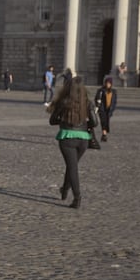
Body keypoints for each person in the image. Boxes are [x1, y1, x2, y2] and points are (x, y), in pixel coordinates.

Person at [47, 75, 97, 209]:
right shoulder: (87, 102)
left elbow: (52, 121)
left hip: (67, 137)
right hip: (83, 140)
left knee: (72, 167)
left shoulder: (64, 102)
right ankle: (64, 190)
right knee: (72, 166)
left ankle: (77, 198)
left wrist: (64, 121)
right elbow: (95, 122)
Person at [94, 77, 117, 142]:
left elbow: (114, 101)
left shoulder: (114, 91)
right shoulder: (101, 90)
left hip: (109, 109)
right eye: (107, 83)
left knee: (107, 121)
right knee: (103, 121)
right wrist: (98, 106)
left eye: (109, 83)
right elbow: (96, 99)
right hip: (102, 109)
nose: (108, 84)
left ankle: (104, 133)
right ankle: (104, 134)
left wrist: (113, 108)